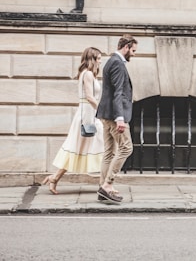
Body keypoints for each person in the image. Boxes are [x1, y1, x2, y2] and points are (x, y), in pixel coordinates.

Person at [42, 47, 104, 194]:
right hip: (87, 116)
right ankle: (106, 184)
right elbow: (89, 97)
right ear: (92, 59)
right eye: (99, 58)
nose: (100, 61)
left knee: (81, 148)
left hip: (89, 115)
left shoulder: (89, 74)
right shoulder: (88, 74)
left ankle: (55, 178)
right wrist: (101, 111)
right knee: (90, 146)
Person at [96, 34, 138, 203]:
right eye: (133, 50)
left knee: (109, 152)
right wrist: (120, 118)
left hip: (106, 114)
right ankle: (108, 184)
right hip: (114, 115)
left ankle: (102, 188)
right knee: (127, 148)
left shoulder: (111, 61)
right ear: (126, 47)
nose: (134, 54)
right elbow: (118, 93)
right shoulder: (118, 64)